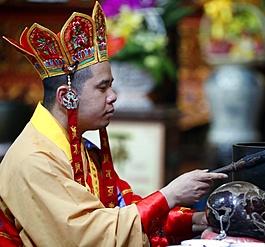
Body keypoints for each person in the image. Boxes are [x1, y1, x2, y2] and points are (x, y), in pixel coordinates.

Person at [0, 2, 228, 246]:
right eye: (103, 87)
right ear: (66, 96)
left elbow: (122, 213)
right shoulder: (35, 160)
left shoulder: (79, 148)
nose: (113, 96)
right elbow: (84, 237)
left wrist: (197, 220)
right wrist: (169, 195)